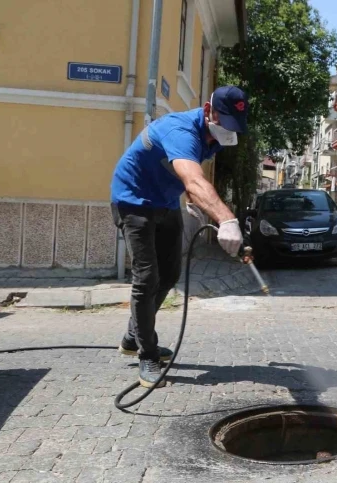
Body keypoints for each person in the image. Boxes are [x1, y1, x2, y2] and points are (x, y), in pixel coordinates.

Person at [110, 86, 248, 388]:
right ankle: (147, 355)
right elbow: (193, 177)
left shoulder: (214, 137)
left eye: (235, 125)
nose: (229, 130)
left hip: (166, 203)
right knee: (147, 277)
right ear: (209, 109)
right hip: (133, 201)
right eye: (224, 121)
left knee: (170, 273)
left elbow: (185, 171)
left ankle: (134, 337)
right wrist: (226, 219)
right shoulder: (180, 130)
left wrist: (192, 199)